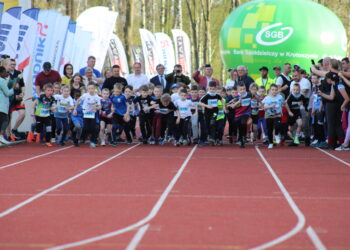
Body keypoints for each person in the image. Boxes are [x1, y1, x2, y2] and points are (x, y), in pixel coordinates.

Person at [318, 72, 349, 149]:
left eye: (326, 78)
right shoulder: (334, 85)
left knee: (337, 125)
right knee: (336, 124)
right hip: (340, 106)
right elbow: (331, 97)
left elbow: (347, 98)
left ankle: (340, 143)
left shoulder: (339, 85)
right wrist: (322, 94)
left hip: (342, 106)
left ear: (329, 79)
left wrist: (343, 105)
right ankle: (336, 143)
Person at [73, 82, 102, 148]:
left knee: (93, 128)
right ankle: (80, 138)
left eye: (92, 88)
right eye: (89, 88)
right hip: (85, 114)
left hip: (92, 114)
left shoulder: (96, 97)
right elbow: (78, 100)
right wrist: (75, 109)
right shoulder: (85, 95)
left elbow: (100, 107)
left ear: (95, 89)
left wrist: (96, 107)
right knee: (86, 128)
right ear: (87, 89)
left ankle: (92, 141)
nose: (91, 90)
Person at [4, 58, 26, 140]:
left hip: (18, 98)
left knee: (22, 113)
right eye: (11, 64)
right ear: (7, 65)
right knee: (9, 116)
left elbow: (22, 85)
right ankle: (8, 134)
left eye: (14, 64)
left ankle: (14, 130)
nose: (13, 66)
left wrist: (22, 94)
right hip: (9, 98)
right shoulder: (4, 74)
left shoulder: (18, 73)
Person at [228, 83, 252, 148]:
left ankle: (244, 136)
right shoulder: (236, 97)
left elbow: (256, 97)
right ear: (238, 90)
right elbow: (232, 106)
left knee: (243, 122)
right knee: (240, 127)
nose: (243, 90)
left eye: (244, 89)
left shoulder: (249, 94)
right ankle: (241, 141)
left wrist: (261, 103)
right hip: (238, 114)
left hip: (246, 112)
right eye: (241, 89)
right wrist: (238, 102)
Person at [199, 81, 223, 146]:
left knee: (213, 123)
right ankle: (209, 135)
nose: (212, 90)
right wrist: (207, 106)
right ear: (208, 88)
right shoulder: (206, 96)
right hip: (207, 113)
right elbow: (200, 103)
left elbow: (222, 100)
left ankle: (212, 138)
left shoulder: (217, 95)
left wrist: (222, 106)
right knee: (207, 125)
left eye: (213, 89)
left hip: (215, 112)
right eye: (210, 89)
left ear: (215, 89)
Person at [262, 84, 285, 149]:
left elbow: (284, 103)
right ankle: (271, 143)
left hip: (277, 114)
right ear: (270, 90)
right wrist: (271, 106)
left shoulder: (280, 97)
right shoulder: (267, 98)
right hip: (269, 115)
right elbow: (264, 107)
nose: (274, 91)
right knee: (270, 129)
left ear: (277, 91)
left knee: (278, 125)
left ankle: (277, 134)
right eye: (272, 90)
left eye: (275, 90)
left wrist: (283, 108)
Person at [0, 66, 15, 144]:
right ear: (1, 73)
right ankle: (1, 137)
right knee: (5, 120)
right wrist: (13, 87)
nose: (6, 73)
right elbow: (8, 93)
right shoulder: (2, 80)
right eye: (5, 72)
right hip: (2, 105)